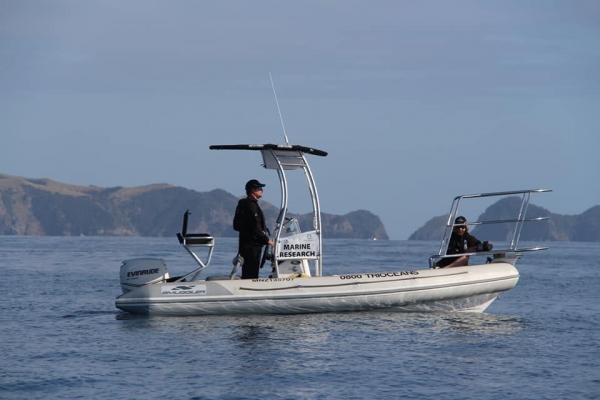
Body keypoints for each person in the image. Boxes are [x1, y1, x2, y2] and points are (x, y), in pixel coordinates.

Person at [233, 179, 274, 279]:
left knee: (247, 271)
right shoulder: (251, 205)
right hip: (253, 245)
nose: (262, 190)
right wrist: (268, 240)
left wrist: (245, 231)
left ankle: (245, 285)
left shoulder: (243, 204)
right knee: (252, 272)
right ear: (252, 190)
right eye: (259, 188)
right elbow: (256, 227)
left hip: (244, 244)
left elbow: (236, 226)